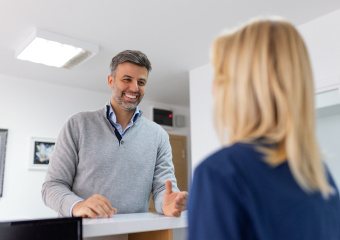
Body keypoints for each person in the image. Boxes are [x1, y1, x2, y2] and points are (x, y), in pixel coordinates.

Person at [188, 18, 340, 240]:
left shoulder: (219, 174)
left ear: (241, 88)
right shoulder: (319, 176)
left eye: (220, 76)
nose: (213, 89)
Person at [42, 50, 187, 218]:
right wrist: (77, 205)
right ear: (111, 81)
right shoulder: (78, 125)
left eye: (141, 82)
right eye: (127, 79)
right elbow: (52, 186)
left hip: (133, 234)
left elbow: (163, 188)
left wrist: (168, 202)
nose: (134, 88)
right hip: (82, 233)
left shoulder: (158, 135)